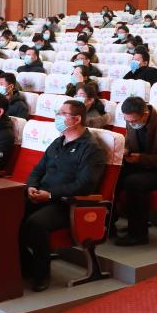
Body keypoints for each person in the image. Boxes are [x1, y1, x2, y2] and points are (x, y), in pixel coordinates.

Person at [20, 100, 107, 290]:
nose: (57, 117)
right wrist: (31, 186)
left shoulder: (91, 148)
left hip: (67, 203)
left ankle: (41, 274)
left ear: (76, 119)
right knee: (8, 213)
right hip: (41, 195)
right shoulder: (58, 142)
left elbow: (84, 186)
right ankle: (25, 266)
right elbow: (38, 169)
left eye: (62, 113)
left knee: (36, 223)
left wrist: (50, 195)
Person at [116, 96, 157, 246]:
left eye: (133, 121)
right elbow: (130, 143)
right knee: (115, 174)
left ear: (145, 115)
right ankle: (110, 223)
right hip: (140, 165)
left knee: (134, 183)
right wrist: (126, 150)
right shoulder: (132, 121)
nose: (130, 124)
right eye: (127, 121)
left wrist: (141, 159)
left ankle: (138, 234)